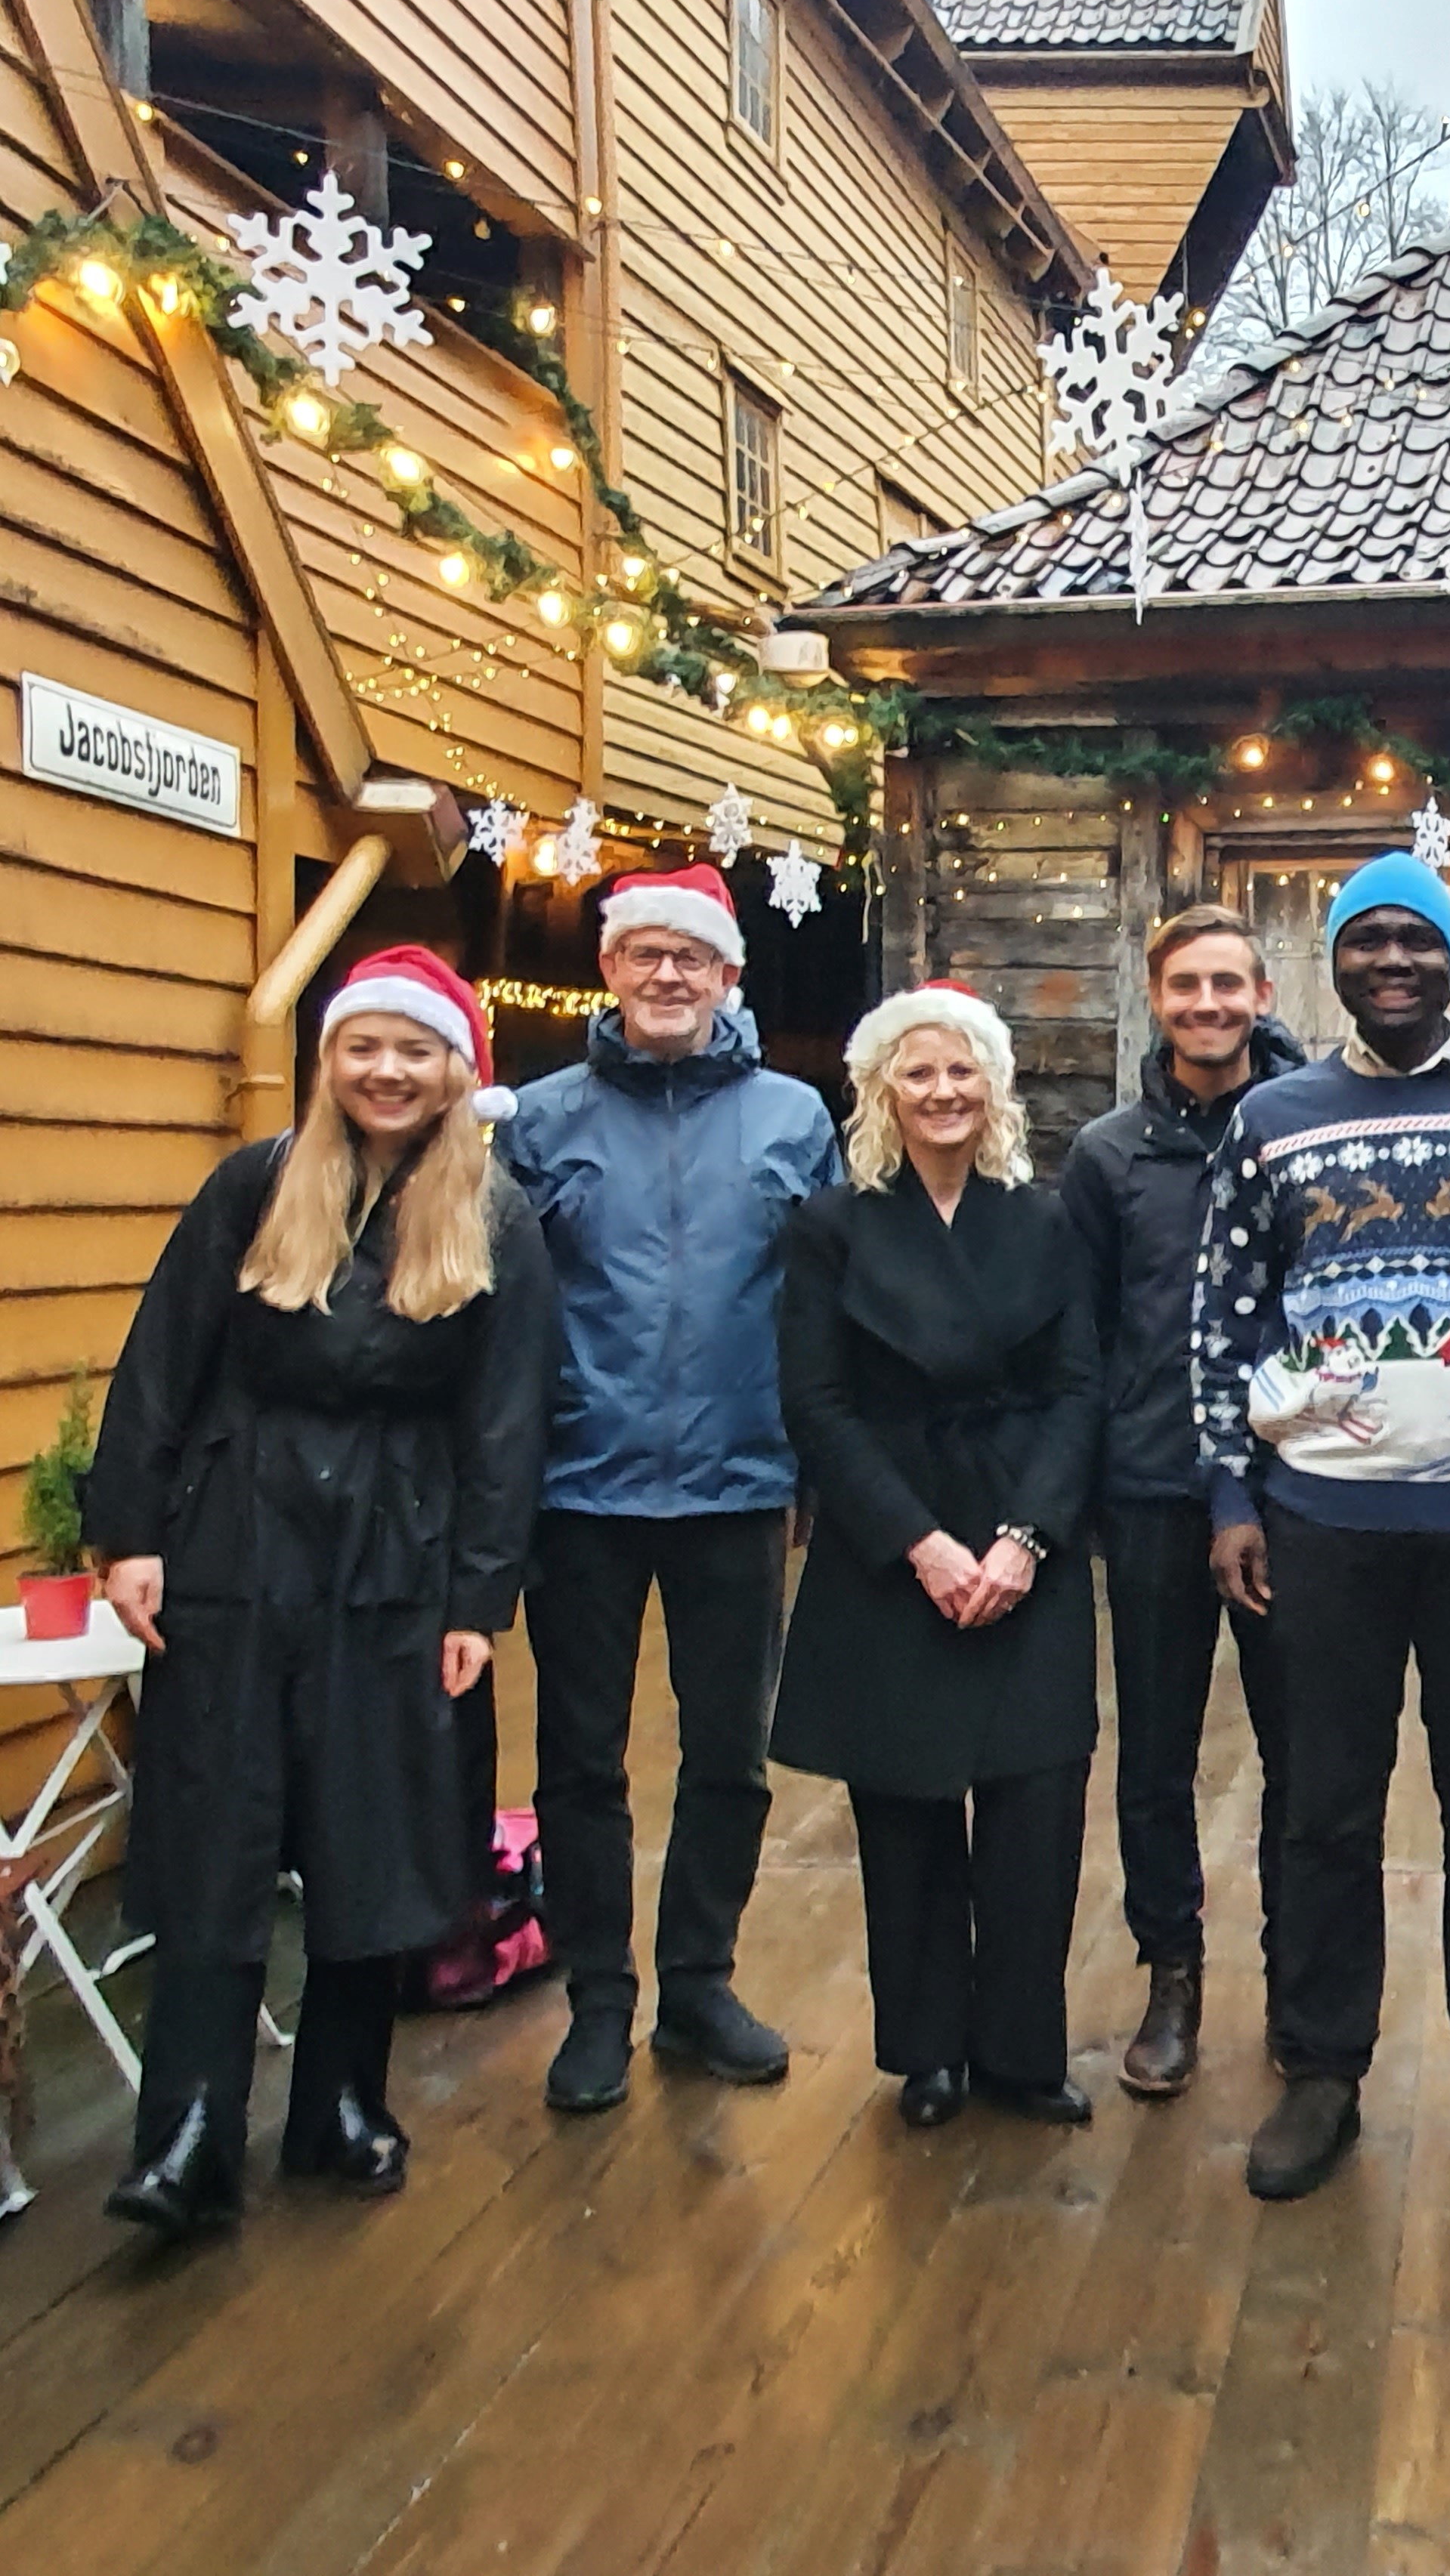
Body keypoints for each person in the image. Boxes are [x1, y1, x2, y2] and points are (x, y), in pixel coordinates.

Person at [84, 950, 556, 2237]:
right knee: (215, 1831)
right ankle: (185, 2130)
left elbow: (508, 1423)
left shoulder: (494, 1217)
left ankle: (343, 2102)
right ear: (328, 1061)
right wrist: (128, 1531)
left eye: (414, 1051)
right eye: (363, 1049)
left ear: (456, 1069)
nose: (386, 1072)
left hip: (397, 1558)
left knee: (372, 1828)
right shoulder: (252, 1186)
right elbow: (159, 1362)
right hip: (239, 1544)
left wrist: (478, 1598)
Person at [1195, 851, 1450, 2202]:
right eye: (1365, 942)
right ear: (1335, 963)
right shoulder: (1273, 1117)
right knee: (1325, 1801)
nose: (1391, 961)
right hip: (1323, 1519)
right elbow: (1227, 1317)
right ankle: (1323, 2070)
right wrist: (1227, 1494)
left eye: (1416, 941)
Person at [499, 865, 838, 2114]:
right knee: (582, 1758)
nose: (666, 977)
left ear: (729, 976)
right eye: (642, 955)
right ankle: (599, 1998)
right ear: (608, 970)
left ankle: (698, 1981)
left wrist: (811, 1465)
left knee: (730, 1755)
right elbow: (504, 1310)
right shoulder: (542, 1121)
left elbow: (822, 1306)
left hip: (740, 1487)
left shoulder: (796, 1118)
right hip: (581, 1489)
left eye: (690, 958)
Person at [771, 985, 1101, 2130]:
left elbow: (1079, 1391)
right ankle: (929, 2052)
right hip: (892, 1534)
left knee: (1035, 1803)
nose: (943, 1092)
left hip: (1024, 1532)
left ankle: (1021, 2047)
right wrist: (919, 1544)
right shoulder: (832, 1226)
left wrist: (1024, 1539)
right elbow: (815, 1403)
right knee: (904, 1808)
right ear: (882, 1090)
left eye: (963, 1071)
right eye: (919, 1072)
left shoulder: (1046, 1219)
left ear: (995, 1085)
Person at [1060, 903, 1307, 2099]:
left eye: (1228, 984)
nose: (1207, 1005)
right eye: (1185, 987)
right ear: (1155, 999)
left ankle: (1304, 1979)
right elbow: (1086, 1331)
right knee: (1156, 1750)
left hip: (1298, 1486)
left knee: (1304, 1748)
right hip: (1155, 1486)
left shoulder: (1311, 1129)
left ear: (1262, 994)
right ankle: (1171, 1971)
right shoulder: (1110, 1155)